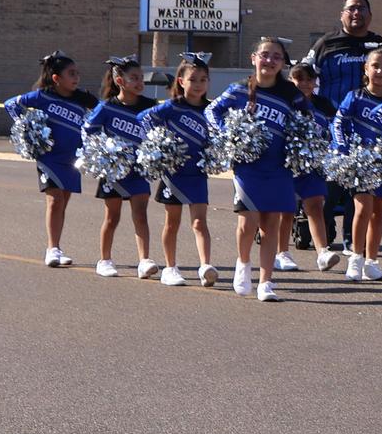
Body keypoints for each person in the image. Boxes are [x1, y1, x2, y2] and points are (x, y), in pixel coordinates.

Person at [207, 37, 305, 302]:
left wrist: (301, 146)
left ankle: (266, 281)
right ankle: (243, 263)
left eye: (276, 57)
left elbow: (308, 121)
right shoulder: (238, 89)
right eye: (265, 55)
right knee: (247, 221)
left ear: (283, 63)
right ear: (254, 58)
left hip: (279, 167)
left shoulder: (291, 94)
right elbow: (212, 111)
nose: (270, 60)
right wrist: (229, 134)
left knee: (270, 223)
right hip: (247, 167)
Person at [307, 0, 382, 253]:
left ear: (370, 15)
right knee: (328, 186)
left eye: (362, 8)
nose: (357, 13)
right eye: (351, 8)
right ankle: (324, 234)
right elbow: (305, 79)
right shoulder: (325, 44)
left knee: (360, 188)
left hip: (366, 130)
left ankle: (352, 240)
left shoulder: (378, 44)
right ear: (342, 14)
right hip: (331, 125)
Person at [5, 51, 99, 268]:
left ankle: (56, 246)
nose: (76, 78)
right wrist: (29, 129)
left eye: (77, 73)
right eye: (71, 74)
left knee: (62, 202)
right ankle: (52, 249)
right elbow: (11, 104)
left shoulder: (82, 98)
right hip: (50, 157)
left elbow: (105, 112)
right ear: (56, 78)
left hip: (73, 158)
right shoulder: (42, 96)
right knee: (55, 200)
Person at [141, 52, 218, 287]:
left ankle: (205, 266)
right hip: (173, 174)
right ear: (181, 81)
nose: (198, 85)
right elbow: (143, 119)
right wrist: (158, 146)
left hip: (197, 173)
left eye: (203, 79)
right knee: (172, 222)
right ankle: (170, 268)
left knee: (199, 222)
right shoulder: (171, 107)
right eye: (193, 79)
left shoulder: (211, 110)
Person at [84, 55, 161, 280]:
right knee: (112, 216)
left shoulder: (149, 106)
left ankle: (144, 260)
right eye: (134, 78)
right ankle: (105, 260)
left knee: (141, 214)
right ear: (119, 81)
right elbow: (88, 131)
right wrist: (104, 152)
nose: (139, 82)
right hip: (113, 171)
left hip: (138, 170)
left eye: (141, 78)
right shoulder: (107, 107)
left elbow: (159, 132)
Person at [335, 45, 382, 282]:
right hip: (361, 163)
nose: (380, 71)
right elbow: (338, 124)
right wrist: (344, 150)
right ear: (366, 69)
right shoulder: (354, 97)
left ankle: (372, 262)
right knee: (362, 209)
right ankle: (356, 258)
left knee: (378, 213)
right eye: (375, 66)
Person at [287, 57, 343, 273]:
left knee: (315, 206)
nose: (305, 84)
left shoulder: (323, 104)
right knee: (286, 210)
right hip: (288, 163)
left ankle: (322, 252)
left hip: (314, 165)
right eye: (299, 79)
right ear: (290, 80)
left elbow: (334, 129)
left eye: (309, 80)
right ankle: (282, 252)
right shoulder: (285, 102)